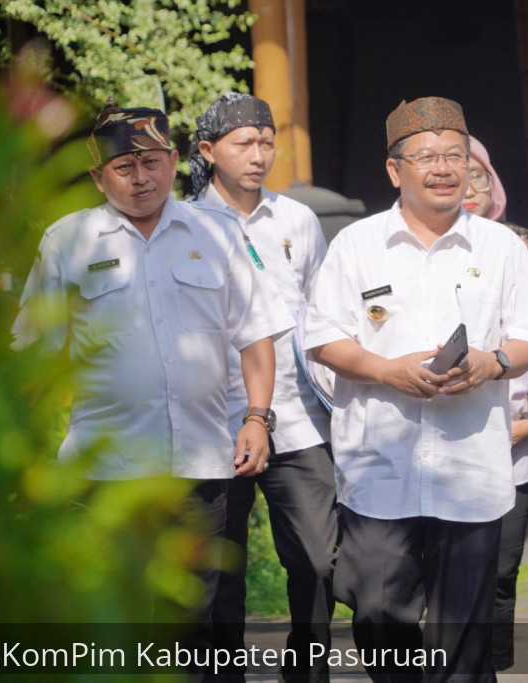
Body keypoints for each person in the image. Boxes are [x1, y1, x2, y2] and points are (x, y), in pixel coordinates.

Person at [12, 101, 287, 675]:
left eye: (153, 162)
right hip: (106, 470)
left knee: (195, 619)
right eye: (124, 167)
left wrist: (258, 418)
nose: (142, 178)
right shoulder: (68, 241)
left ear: (174, 163)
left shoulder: (217, 233)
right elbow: (34, 356)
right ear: (97, 176)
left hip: (201, 467)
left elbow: (256, 336)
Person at [302, 96, 528, 681]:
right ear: (396, 170)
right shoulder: (356, 245)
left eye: (455, 156)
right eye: (426, 157)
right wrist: (388, 370)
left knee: (462, 639)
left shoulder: (502, 246)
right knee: (378, 611)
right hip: (380, 468)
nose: (443, 168)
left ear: (471, 167)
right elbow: (322, 340)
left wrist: (493, 363)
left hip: (471, 470)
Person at [188, 92, 337, 683]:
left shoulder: (296, 219)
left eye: (267, 142)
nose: (260, 155)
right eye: (244, 143)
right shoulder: (183, 224)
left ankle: (305, 670)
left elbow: (323, 312)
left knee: (321, 561)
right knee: (219, 571)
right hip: (212, 421)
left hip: (297, 418)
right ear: (207, 151)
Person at [460, 137, 528, 672]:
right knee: (443, 572)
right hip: (440, 438)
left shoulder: (527, 250)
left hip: (516, 441)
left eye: (477, 175)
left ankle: (489, 667)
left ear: (493, 185)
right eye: (454, 173)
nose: (465, 186)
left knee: (500, 570)